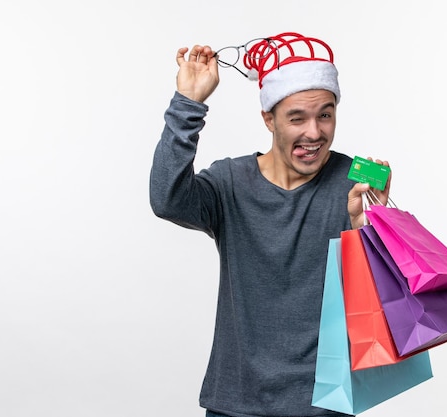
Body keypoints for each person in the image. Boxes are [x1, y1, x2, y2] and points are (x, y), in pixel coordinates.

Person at [149, 32, 391, 417]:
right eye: (297, 117)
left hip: (325, 405)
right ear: (269, 119)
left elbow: (388, 299)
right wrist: (188, 105)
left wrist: (373, 228)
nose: (314, 133)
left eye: (325, 114)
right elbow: (167, 200)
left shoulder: (355, 179)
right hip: (235, 403)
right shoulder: (230, 182)